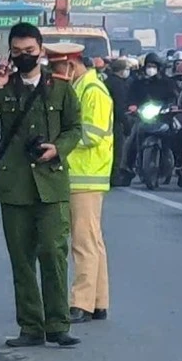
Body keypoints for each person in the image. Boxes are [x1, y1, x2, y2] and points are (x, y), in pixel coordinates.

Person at [0, 23, 83, 348]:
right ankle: (31, 327)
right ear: (10, 53)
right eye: (17, 52)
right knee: (21, 259)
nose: (23, 57)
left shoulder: (60, 88)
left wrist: (58, 147)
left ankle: (58, 324)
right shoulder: (4, 87)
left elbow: (75, 128)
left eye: (29, 52)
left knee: (53, 252)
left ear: (41, 50)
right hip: (15, 185)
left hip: (51, 184)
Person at [49, 44, 113, 324]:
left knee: (83, 243)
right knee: (93, 242)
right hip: (83, 176)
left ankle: (81, 303)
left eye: (57, 69)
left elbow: (90, 135)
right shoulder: (82, 89)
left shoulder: (93, 92)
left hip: (85, 176)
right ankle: (98, 301)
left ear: (71, 65)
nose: (55, 76)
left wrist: (58, 140)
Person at [121, 52, 178, 179]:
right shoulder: (138, 83)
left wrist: (171, 106)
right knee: (131, 140)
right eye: (148, 66)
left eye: (153, 66)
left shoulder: (167, 83)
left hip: (163, 117)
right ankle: (126, 167)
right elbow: (130, 98)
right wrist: (132, 106)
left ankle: (179, 166)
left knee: (177, 136)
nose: (150, 69)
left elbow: (174, 97)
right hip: (143, 117)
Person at [104, 58, 132, 186]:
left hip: (105, 119)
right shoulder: (119, 84)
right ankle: (114, 177)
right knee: (117, 150)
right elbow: (119, 107)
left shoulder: (107, 81)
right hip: (115, 121)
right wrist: (126, 124)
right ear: (121, 70)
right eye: (126, 69)